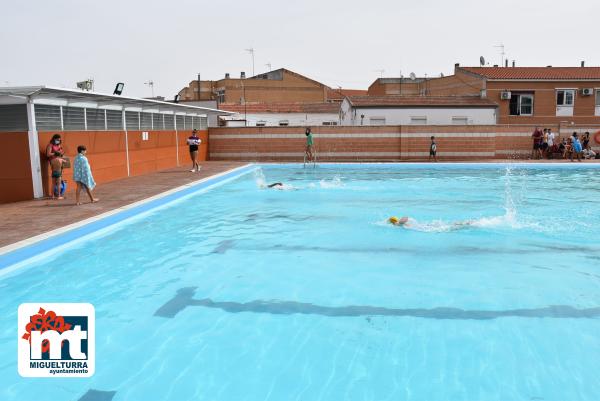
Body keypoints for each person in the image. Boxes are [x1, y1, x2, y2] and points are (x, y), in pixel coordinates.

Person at [46, 134, 65, 199]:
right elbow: (48, 154)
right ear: (54, 139)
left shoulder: (59, 145)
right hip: (54, 161)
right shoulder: (50, 145)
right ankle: (58, 195)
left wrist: (61, 153)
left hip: (58, 161)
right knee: (58, 181)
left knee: (54, 181)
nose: (58, 141)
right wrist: (55, 153)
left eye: (59, 140)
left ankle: (53, 195)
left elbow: (61, 153)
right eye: (57, 140)